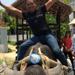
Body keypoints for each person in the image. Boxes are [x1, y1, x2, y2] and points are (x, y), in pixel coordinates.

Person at [0, 0, 68, 66]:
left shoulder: (41, 9)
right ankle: (17, 63)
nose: (30, 5)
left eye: (31, 3)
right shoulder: (26, 15)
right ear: (26, 7)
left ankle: (66, 65)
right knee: (22, 46)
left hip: (47, 35)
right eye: (28, 4)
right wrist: (2, 4)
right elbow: (13, 10)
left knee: (56, 50)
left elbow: (51, 1)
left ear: (35, 4)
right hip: (36, 37)